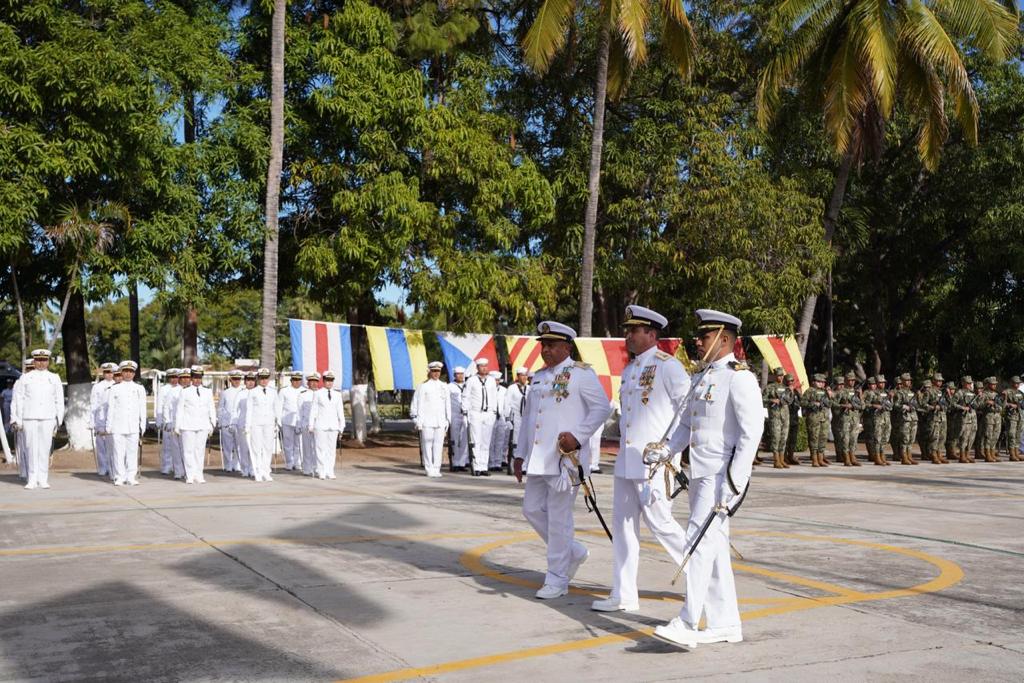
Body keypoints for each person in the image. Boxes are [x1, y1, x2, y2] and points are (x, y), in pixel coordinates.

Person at [653, 309, 763, 648]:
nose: (697, 342)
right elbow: (687, 425)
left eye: (704, 336)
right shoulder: (702, 377)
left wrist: (734, 484)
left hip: (720, 478)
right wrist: (664, 450)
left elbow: (751, 432)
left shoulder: (739, 377)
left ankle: (688, 620)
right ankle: (726, 623)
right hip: (701, 474)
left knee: (697, 543)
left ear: (725, 340)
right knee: (712, 550)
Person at [591, 305, 690, 614]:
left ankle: (706, 579)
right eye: (628, 330)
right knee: (622, 529)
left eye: (634, 330)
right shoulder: (631, 368)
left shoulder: (669, 367)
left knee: (662, 525)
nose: (628, 335)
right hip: (627, 460)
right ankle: (623, 595)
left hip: (655, 464)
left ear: (651, 333)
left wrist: (669, 448)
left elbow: (687, 412)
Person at [514, 321, 611, 600]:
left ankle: (557, 578)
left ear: (567, 347)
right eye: (543, 345)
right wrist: (520, 453)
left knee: (558, 519)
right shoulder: (539, 377)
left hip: (564, 459)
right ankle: (574, 551)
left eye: (552, 345)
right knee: (531, 509)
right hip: (538, 457)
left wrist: (579, 437)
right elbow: (529, 420)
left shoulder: (581, 374)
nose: (545, 350)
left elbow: (601, 408)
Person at [10, 349, 65, 490]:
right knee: (30, 447)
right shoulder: (25, 378)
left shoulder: (54, 377)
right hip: (29, 417)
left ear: (48, 361)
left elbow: (59, 400)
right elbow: (19, 399)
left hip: (48, 417)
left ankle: (43, 478)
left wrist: (58, 419)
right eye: (38, 360)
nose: (41, 363)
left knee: (44, 448)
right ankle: (32, 478)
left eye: (44, 360)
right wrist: (17, 419)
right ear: (34, 361)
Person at [103, 360, 147, 486]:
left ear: (134, 373)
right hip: (118, 425)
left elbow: (142, 408)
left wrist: (142, 425)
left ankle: (131, 476)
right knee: (118, 452)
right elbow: (111, 408)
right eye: (126, 371)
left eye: (131, 371)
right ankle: (119, 476)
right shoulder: (115, 388)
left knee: (132, 452)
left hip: (133, 426)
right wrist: (108, 425)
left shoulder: (139, 388)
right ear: (121, 372)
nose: (128, 374)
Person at [175, 365, 216, 484]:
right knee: (188, 451)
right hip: (188, 425)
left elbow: (211, 408)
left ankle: (199, 474)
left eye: (199, 377)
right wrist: (177, 426)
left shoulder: (207, 391)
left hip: (203, 425)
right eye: (195, 377)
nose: (197, 380)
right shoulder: (185, 391)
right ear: (191, 378)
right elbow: (180, 410)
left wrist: (212, 424)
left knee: (199, 450)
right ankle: (190, 475)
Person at [411, 361, 451, 478]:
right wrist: (417, 420)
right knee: (427, 445)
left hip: (440, 421)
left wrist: (448, 420)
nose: (436, 373)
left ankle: (436, 468)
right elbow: (416, 404)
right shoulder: (423, 386)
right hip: (427, 421)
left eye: (438, 371)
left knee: (439, 446)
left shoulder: (444, 386)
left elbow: (447, 404)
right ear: (429, 372)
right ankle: (429, 468)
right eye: (434, 371)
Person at [463, 358, 498, 476]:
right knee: (476, 440)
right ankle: (476, 466)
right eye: (481, 366)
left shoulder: (491, 380)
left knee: (485, 442)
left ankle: (484, 466)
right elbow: (466, 396)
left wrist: (493, 412)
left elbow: (494, 397)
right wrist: (465, 413)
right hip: (475, 413)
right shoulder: (472, 380)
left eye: (486, 366)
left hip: (488, 413)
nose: (484, 368)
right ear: (477, 368)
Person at [310, 370, 344, 479]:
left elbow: (340, 411)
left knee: (331, 450)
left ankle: (330, 470)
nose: (329, 383)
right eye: (327, 380)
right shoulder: (318, 393)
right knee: (320, 449)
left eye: (331, 380)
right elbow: (313, 410)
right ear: (323, 381)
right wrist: (311, 425)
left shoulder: (337, 394)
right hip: (320, 425)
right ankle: (322, 471)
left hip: (333, 425)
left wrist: (341, 426)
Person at [246, 368, 278, 482]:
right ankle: (257, 471)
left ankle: (266, 471)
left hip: (269, 423)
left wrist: (277, 422)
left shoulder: (273, 391)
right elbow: (249, 410)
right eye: (262, 378)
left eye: (266, 378)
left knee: (268, 448)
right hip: (256, 423)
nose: (264, 380)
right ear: (258, 378)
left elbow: (276, 408)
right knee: (256, 448)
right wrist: (247, 426)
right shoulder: (253, 392)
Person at [90, 362, 117, 477]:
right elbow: (93, 404)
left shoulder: (118, 385)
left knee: (113, 445)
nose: (109, 375)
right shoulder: (97, 386)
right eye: (106, 372)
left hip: (114, 420)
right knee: (101, 446)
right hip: (100, 418)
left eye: (111, 372)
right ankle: (102, 467)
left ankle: (113, 468)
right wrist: (92, 421)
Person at [762, 367, 792, 469]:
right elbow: (762, 399)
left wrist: (791, 392)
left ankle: (782, 459)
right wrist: (772, 400)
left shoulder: (785, 387)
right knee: (776, 438)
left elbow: (790, 400)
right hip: (775, 416)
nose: (780, 377)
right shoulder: (769, 387)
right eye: (779, 375)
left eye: (782, 375)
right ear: (775, 376)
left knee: (784, 438)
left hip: (785, 415)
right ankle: (776, 460)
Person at [275, 371, 304, 470]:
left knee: (299, 443)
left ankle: (298, 462)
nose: (296, 382)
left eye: (298, 380)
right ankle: (289, 462)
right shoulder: (284, 391)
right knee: (288, 443)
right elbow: (279, 406)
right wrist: (278, 420)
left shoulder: (304, 391)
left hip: (300, 421)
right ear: (291, 380)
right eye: (295, 380)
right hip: (287, 421)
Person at [801, 374, 831, 467]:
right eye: (819, 382)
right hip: (814, 418)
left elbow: (830, 404)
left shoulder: (825, 392)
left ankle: (821, 459)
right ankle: (814, 459)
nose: (821, 384)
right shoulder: (809, 391)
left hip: (824, 418)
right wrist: (813, 403)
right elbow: (802, 402)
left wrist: (830, 396)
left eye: (823, 382)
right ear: (813, 382)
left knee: (823, 438)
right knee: (814, 438)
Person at [218, 370, 244, 472]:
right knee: (227, 446)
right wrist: (220, 421)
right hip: (226, 422)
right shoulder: (225, 393)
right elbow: (220, 408)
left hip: (238, 423)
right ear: (230, 380)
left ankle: (237, 464)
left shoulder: (244, 392)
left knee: (239, 446)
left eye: (238, 379)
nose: (236, 381)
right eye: (234, 379)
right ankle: (228, 465)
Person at [506, 367, 530, 475]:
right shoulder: (512, 388)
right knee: (515, 443)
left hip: (527, 418)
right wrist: (507, 418)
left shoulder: (530, 389)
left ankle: (524, 467)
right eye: (522, 375)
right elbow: (507, 404)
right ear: (518, 376)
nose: (524, 377)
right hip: (516, 417)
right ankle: (514, 466)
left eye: (525, 375)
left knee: (526, 443)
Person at [892, 373, 920, 465]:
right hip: (905, 418)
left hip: (913, 418)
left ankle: (909, 456)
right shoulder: (899, 393)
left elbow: (917, 404)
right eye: (907, 380)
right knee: (905, 438)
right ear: (903, 381)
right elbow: (895, 405)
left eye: (909, 380)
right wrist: (903, 406)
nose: (909, 382)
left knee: (912, 439)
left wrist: (914, 405)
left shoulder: (912, 392)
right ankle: (904, 457)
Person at [298, 373, 320, 475]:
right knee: (307, 447)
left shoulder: (321, 394)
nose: (314, 384)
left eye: (316, 381)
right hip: (306, 424)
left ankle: (317, 467)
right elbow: (300, 411)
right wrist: (300, 425)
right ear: (308, 383)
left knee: (318, 447)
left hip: (318, 425)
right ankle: (307, 468)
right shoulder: (303, 395)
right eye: (312, 382)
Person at [978, 377, 1004, 462]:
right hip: (989, 417)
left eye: (995, 384)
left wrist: (998, 405)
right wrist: (987, 403)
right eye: (993, 384)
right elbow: (979, 405)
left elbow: (1001, 406)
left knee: (996, 436)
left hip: (997, 417)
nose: (994, 385)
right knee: (988, 436)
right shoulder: (984, 394)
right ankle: (987, 454)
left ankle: (992, 453)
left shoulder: (997, 395)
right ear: (988, 385)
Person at [448, 367, 469, 471]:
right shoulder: (450, 387)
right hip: (455, 414)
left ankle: (462, 462)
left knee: (465, 439)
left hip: (465, 415)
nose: (460, 376)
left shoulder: (468, 385)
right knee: (455, 439)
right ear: (454, 375)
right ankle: (455, 462)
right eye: (458, 374)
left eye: (462, 374)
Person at [489, 370, 510, 471]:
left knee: (500, 441)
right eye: (494, 380)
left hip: (501, 417)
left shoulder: (503, 390)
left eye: (497, 380)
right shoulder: (488, 389)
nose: (496, 382)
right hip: (491, 416)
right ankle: (491, 462)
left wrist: (506, 417)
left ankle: (498, 462)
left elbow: (506, 404)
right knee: (491, 440)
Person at [1000, 376, 1022, 461]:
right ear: (1012, 383)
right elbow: (1002, 404)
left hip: (1019, 416)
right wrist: (1009, 404)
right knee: (1011, 435)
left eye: (1018, 383)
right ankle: (1012, 454)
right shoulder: (1006, 392)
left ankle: (1016, 453)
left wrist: (1018, 405)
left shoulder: (1020, 392)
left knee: (1017, 435)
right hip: (1011, 416)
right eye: (1015, 382)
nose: (1017, 384)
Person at [783, 374, 801, 466]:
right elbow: (785, 401)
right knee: (786, 438)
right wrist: (789, 392)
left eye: (792, 381)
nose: (790, 383)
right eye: (789, 381)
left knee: (793, 438)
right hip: (787, 416)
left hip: (794, 417)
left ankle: (791, 456)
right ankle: (784, 457)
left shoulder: (796, 391)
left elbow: (801, 402)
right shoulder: (784, 391)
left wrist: (798, 392)